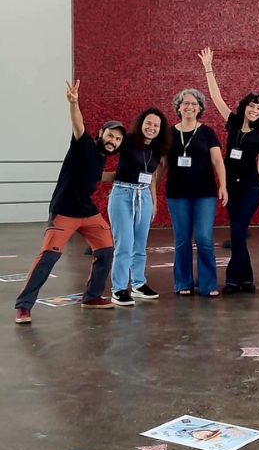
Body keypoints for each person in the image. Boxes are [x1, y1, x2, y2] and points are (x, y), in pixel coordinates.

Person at [14, 80, 123, 324]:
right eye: (110, 135)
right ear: (100, 134)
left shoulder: (102, 157)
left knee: (106, 250)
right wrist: (73, 103)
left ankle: (92, 297)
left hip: (87, 211)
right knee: (49, 256)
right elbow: (78, 125)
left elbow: (95, 176)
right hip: (64, 211)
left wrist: (123, 176)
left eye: (117, 139)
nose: (113, 140)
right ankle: (23, 306)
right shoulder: (83, 145)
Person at [198, 47, 259, 294]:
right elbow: (216, 98)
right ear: (245, 107)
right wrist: (208, 69)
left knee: (237, 231)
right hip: (230, 187)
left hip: (250, 188)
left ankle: (234, 279)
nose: (254, 111)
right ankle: (245, 279)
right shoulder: (233, 123)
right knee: (237, 232)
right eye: (252, 107)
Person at [164, 88, 228, 297]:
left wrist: (223, 185)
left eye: (194, 104)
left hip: (204, 194)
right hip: (177, 194)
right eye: (186, 103)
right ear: (179, 107)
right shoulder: (169, 133)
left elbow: (218, 161)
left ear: (200, 108)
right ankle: (183, 282)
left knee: (203, 238)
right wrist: (151, 191)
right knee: (182, 239)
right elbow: (161, 164)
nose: (190, 107)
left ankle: (208, 284)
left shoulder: (207, 133)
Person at [108, 108, 171, 306]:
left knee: (140, 245)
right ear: (141, 123)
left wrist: (153, 201)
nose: (151, 128)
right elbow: (106, 148)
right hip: (122, 194)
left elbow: (151, 177)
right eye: (148, 123)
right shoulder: (126, 141)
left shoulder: (157, 149)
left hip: (143, 195)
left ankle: (138, 283)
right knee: (124, 244)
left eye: (156, 125)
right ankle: (118, 288)